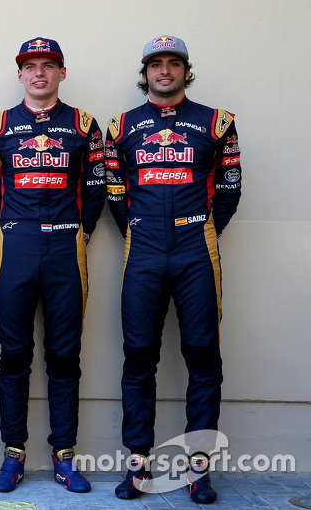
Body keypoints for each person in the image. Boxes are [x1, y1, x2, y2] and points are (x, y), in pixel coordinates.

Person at [105, 35, 242, 504]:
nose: (165, 71)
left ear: (187, 70)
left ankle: (198, 471)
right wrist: (141, 229)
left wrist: (201, 230)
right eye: (156, 64)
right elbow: (114, 192)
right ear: (145, 72)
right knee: (138, 355)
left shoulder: (217, 122)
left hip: (195, 247)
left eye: (174, 63)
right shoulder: (121, 126)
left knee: (203, 356)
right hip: (142, 246)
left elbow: (229, 189)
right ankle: (138, 467)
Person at [0, 37, 105, 494]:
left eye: (48, 66)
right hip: (15, 245)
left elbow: (96, 186)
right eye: (30, 66)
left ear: (61, 73)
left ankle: (65, 456)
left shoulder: (86, 125)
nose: (39, 73)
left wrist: (82, 231)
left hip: (66, 247)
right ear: (20, 74)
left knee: (64, 355)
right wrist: (1, 232)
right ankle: (13, 454)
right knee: (13, 355)